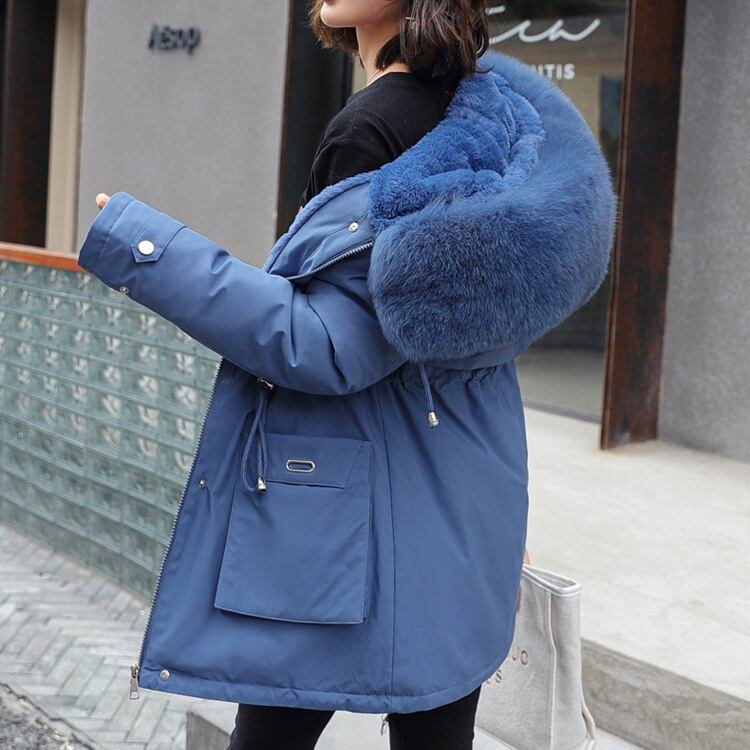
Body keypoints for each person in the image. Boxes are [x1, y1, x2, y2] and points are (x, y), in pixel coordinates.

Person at [81, 0, 615, 748]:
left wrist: (150, 252)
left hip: (338, 517)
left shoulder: (371, 126)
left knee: (275, 727)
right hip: (468, 495)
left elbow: (329, 345)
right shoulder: (493, 112)